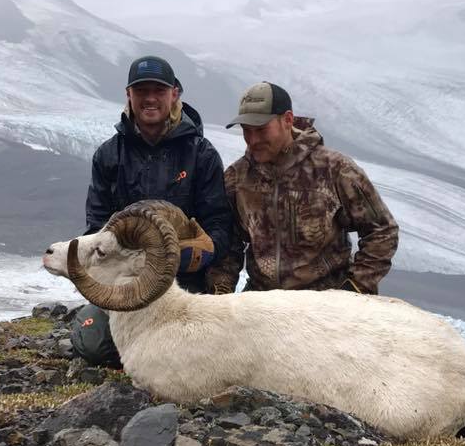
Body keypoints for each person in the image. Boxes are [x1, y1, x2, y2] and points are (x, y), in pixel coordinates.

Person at [72, 56, 232, 365]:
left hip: (184, 285)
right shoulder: (108, 155)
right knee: (93, 345)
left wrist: (193, 254)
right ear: (129, 95)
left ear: (174, 94)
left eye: (158, 90)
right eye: (141, 90)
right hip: (125, 282)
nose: (149, 98)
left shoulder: (201, 154)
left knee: (195, 354)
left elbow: (219, 224)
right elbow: (95, 227)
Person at [207, 81, 399, 296]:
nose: (252, 140)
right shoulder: (237, 178)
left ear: (287, 120)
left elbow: (382, 230)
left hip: (324, 308)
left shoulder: (335, 169)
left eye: (261, 130)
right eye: (246, 130)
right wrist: (220, 294)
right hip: (262, 307)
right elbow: (228, 244)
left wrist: (354, 289)